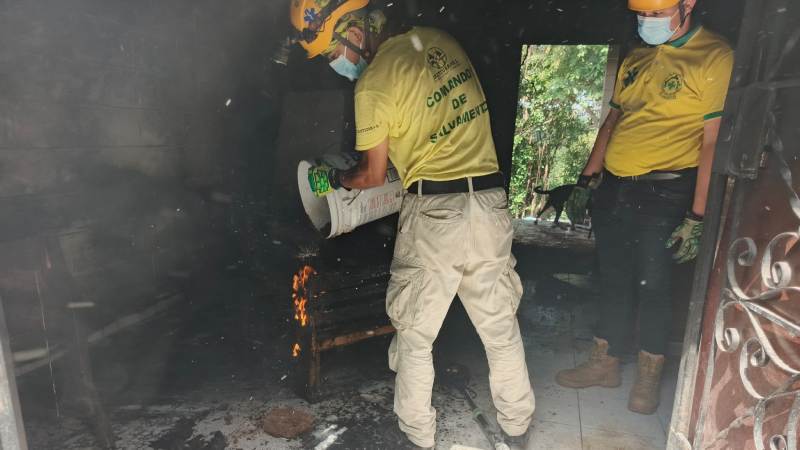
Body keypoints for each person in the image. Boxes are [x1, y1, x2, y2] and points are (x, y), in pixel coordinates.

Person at [291, 0, 535, 448]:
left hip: (436, 213)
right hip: (489, 204)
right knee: (500, 329)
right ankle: (517, 427)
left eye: (332, 53)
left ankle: (417, 435)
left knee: (416, 336)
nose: (336, 65)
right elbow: (433, 130)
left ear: (355, 30)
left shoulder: (373, 85)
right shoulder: (442, 43)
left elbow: (371, 174)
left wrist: (334, 177)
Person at [556, 0, 734, 415]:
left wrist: (697, 215)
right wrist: (586, 180)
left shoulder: (715, 56)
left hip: (666, 192)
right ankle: (606, 363)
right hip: (614, 188)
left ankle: (649, 375)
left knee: (654, 286)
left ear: (688, 4)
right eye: (643, 14)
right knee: (613, 278)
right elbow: (612, 122)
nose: (647, 23)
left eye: (656, 14)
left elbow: (712, 143)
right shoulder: (635, 57)